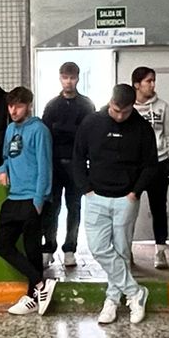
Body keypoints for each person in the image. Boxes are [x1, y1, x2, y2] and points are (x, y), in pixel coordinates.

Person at [74, 83, 159, 325]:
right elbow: (78, 157)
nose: (119, 116)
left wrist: (135, 193)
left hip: (126, 198)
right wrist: (86, 190)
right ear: (110, 102)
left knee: (122, 251)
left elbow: (150, 164)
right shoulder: (92, 122)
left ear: (133, 106)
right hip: (95, 197)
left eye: (125, 112)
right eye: (115, 110)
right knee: (98, 247)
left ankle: (112, 300)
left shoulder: (142, 128)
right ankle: (135, 292)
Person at [0, 86, 57, 316]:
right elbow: (6, 157)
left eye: (18, 106)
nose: (13, 110)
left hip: (33, 197)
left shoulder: (39, 130)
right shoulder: (10, 129)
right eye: (10, 106)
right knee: (2, 245)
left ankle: (33, 296)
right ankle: (41, 285)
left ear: (28, 106)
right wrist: (2, 169)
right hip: (14, 197)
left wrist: (39, 201)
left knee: (32, 250)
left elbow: (45, 167)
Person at [40, 62, 96, 266]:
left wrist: (62, 130)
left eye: (72, 78)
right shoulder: (52, 105)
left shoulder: (86, 105)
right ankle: (48, 247)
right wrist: (71, 131)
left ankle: (70, 248)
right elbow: (46, 135)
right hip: (54, 165)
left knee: (74, 208)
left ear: (78, 78)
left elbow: (88, 135)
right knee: (51, 208)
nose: (68, 81)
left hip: (77, 165)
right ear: (60, 78)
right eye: (65, 77)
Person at [130, 66, 169, 269]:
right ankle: (127, 250)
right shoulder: (128, 108)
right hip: (135, 167)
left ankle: (160, 251)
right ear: (137, 84)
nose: (152, 84)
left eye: (153, 81)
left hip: (160, 163)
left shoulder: (162, 107)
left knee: (159, 208)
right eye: (148, 81)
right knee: (129, 209)